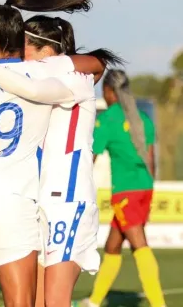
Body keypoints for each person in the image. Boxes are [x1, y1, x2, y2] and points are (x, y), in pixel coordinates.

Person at [0, 15, 123, 307]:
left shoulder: (73, 81)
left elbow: (70, 74)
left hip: (67, 200)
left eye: (24, 44)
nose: (17, 51)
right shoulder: (20, 79)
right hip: (36, 203)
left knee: (54, 301)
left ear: (45, 51)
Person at [83, 69, 166, 307]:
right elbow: (152, 160)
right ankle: (95, 301)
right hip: (144, 188)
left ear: (109, 92)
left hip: (126, 191)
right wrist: (148, 187)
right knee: (113, 245)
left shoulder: (107, 119)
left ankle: (160, 304)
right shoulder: (142, 118)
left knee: (139, 244)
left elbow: (92, 156)